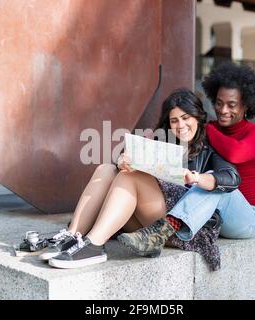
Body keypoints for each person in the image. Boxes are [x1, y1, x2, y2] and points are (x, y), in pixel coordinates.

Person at [16, 88, 240, 269]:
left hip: (179, 227)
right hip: (148, 217)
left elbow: (231, 177)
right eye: (174, 121)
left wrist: (197, 178)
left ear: (198, 118)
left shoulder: (209, 149)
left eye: (186, 118)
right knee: (107, 168)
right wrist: (122, 160)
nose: (180, 126)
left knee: (131, 179)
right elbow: (123, 164)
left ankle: (93, 245)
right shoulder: (162, 143)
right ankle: (73, 236)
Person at [117, 62, 255, 257]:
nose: (223, 110)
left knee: (216, 183)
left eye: (231, 105)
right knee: (205, 181)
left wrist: (204, 125)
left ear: (246, 105)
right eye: (218, 103)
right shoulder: (209, 129)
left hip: (244, 216)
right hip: (208, 217)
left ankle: (163, 231)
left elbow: (236, 153)